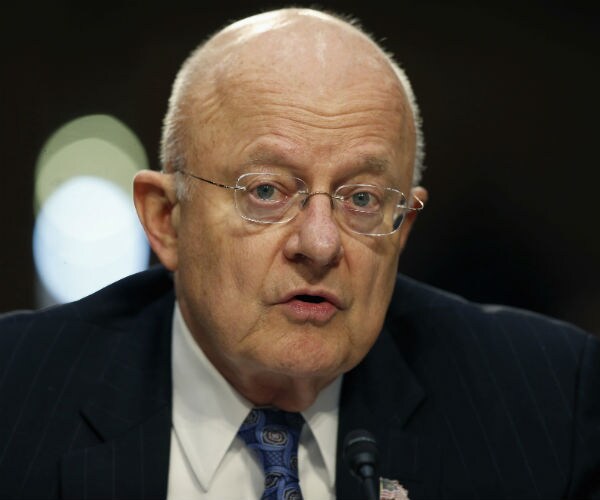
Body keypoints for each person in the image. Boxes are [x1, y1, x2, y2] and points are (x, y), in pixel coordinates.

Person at [0, 7, 598, 500]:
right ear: (166, 219)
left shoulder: (549, 404)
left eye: (361, 199)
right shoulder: (16, 394)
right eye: (266, 192)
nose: (319, 244)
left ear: (402, 228)